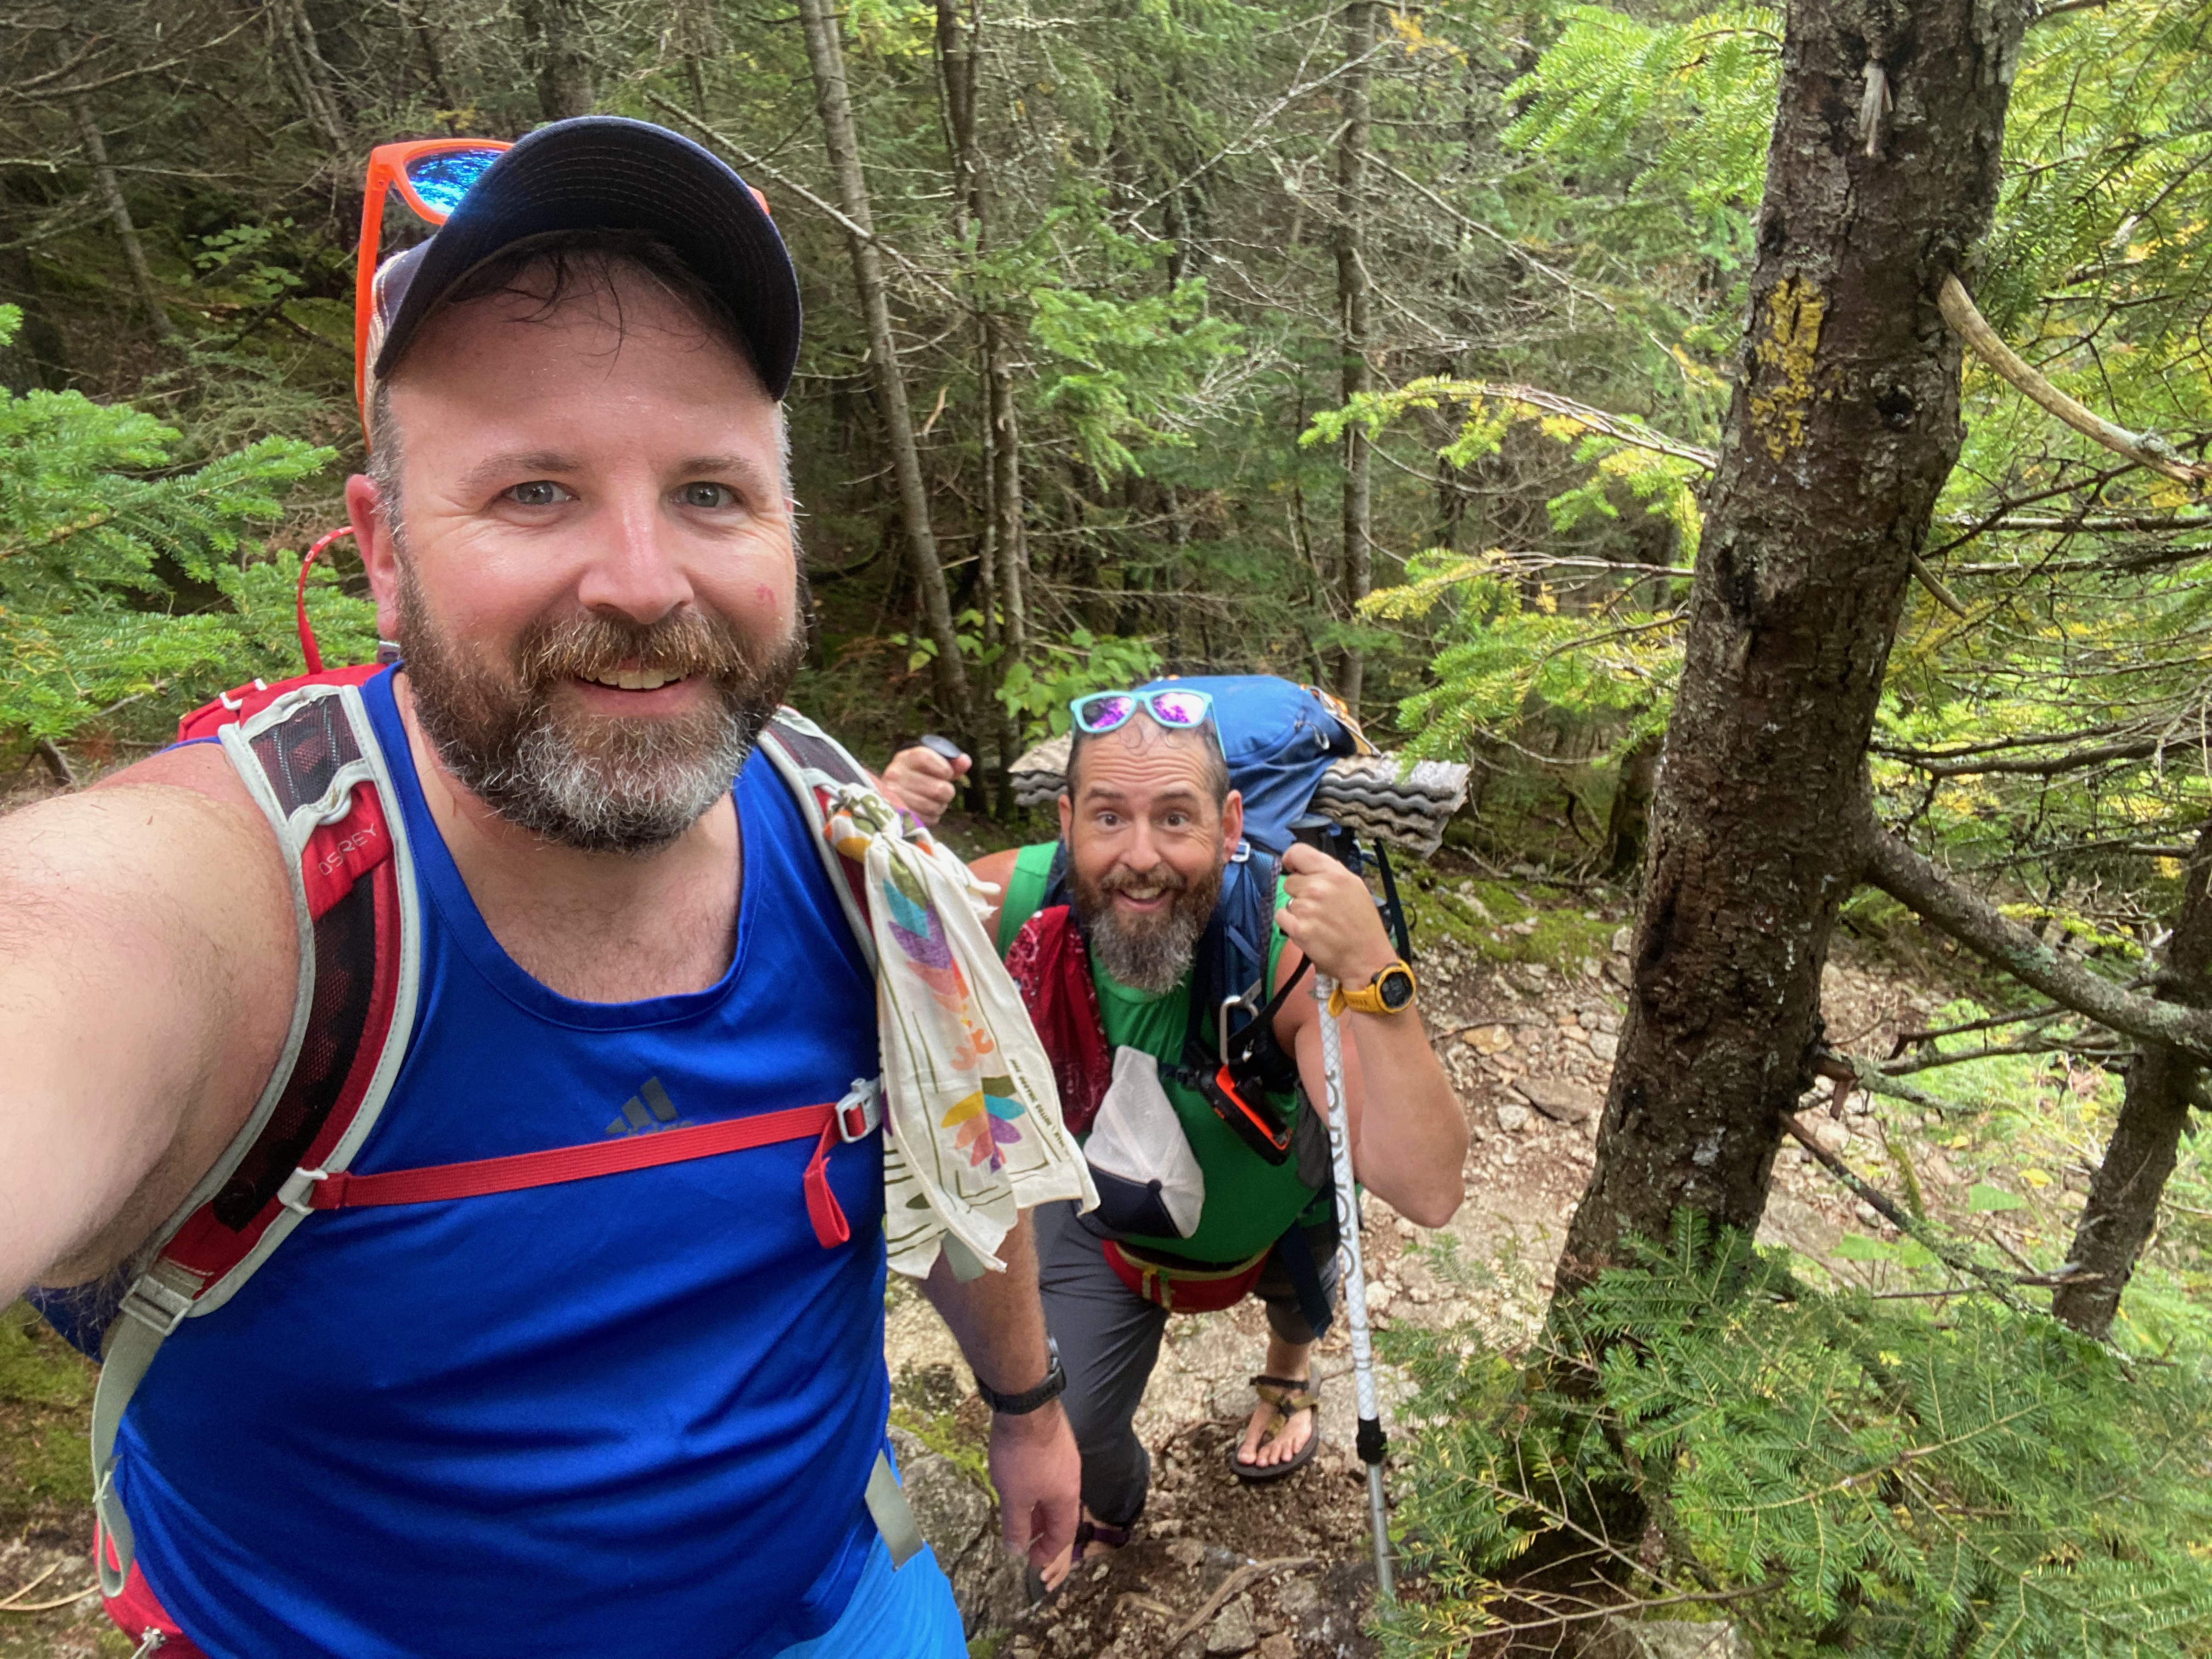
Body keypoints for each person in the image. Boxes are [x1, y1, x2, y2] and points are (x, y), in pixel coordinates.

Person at [0, 117, 1080, 1657]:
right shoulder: (264, 902)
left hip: (846, 1609)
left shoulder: (846, 837)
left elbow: (964, 1143)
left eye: (710, 491)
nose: (643, 581)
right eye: (533, 491)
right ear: (383, 555)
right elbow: (58, 951)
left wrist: (1027, 1405)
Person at [966, 690, 1468, 1586]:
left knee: (1304, 1280)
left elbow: (1426, 1187)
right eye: (1109, 818)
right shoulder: (1008, 899)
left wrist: (1373, 972)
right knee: (1067, 1423)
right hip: (1100, 1217)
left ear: (1232, 825)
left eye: (1176, 818)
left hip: (1275, 1204)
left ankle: (1288, 1372)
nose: (1141, 857)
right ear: (1066, 822)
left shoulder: (1283, 946)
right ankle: (1113, 1498)